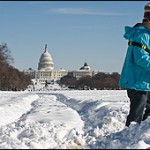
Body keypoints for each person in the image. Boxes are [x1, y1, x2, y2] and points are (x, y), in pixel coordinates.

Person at [119, 3, 150, 127]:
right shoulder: (142, 35)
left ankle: (142, 137)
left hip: (145, 83)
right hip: (138, 83)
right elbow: (141, 58)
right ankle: (128, 139)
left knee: (147, 115)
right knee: (136, 116)